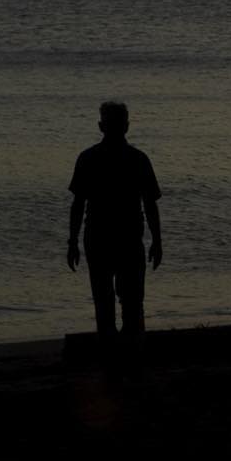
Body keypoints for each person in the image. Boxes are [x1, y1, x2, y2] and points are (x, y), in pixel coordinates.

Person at [66, 100, 163, 367]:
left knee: (104, 301)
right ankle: (132, 356)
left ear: (101, 126)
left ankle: (111, 357)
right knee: (132, 302)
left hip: (99, 238)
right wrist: (157, 240)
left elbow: (78, 205)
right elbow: (150, 204)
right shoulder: (138, 159)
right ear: (127, 127)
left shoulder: (88, 158)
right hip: (128, 239)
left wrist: (73, 241)